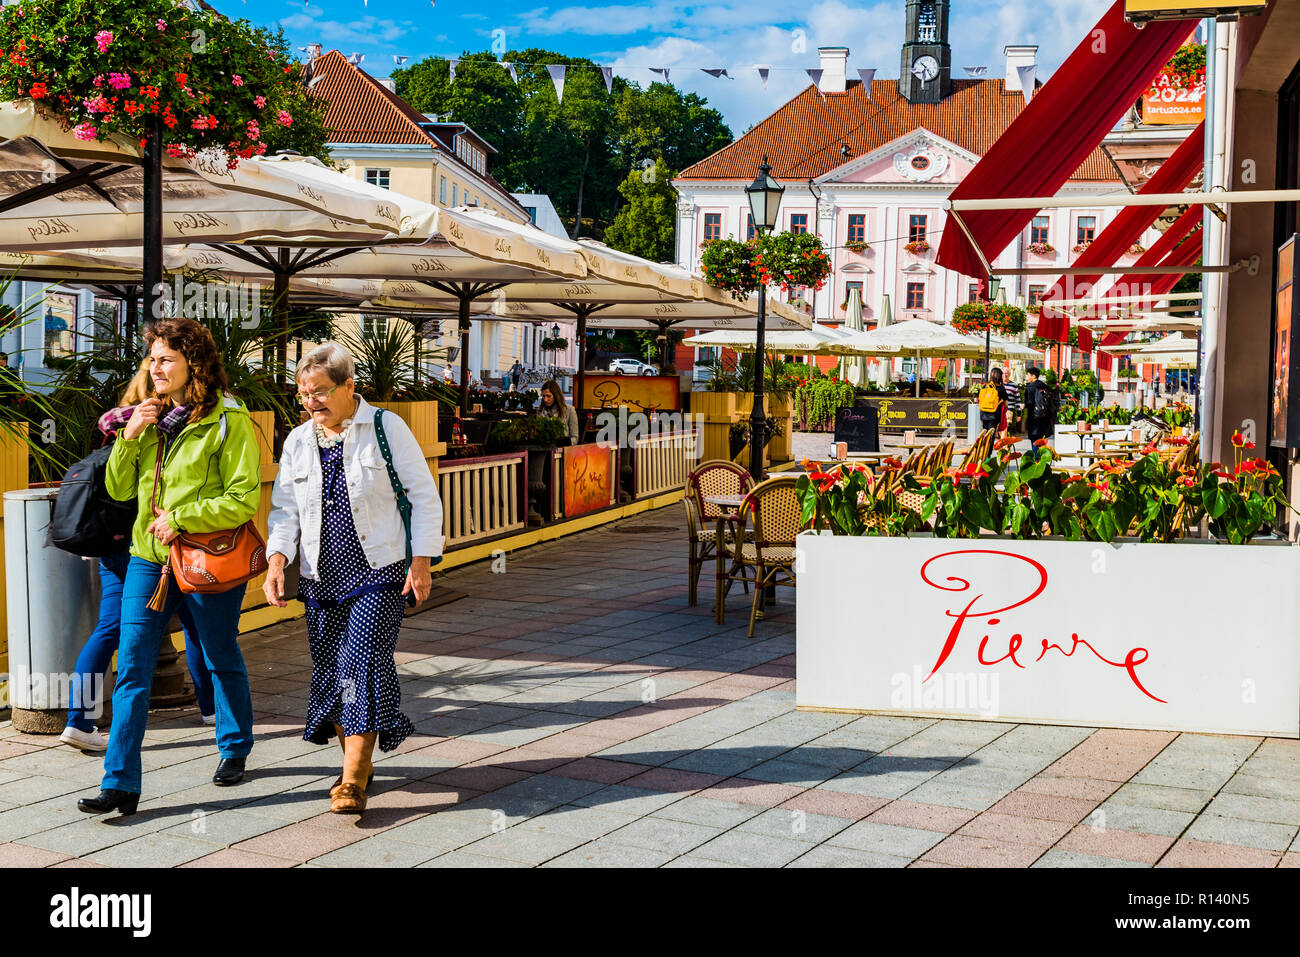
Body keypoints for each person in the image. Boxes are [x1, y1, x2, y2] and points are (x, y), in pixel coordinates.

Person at [78, 318, 261, 817]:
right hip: (147, 559)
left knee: (219, 654)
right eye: (151, 359)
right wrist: (129, 437)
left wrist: (182, 517)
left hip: (206, 558)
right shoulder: (145, 419)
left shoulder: (228, 419)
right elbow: (118, 490)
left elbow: (242, 499)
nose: (154, 368)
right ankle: (120, 784)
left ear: (192, 365)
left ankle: (235, 746)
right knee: (132, 667)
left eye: (165, 359)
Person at [264, 342, 444, 814]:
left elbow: (422, 495)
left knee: (361, 660)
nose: (311, 402)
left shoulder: (386, 428)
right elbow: (284, 509)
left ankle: (350, 781)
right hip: (321, 576)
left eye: (320, 392)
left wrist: (421, 560)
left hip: (379, 570)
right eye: (303, 394)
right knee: (331, 670)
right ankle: (358, 763)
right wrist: (278, 559)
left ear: (349, 387)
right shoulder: (300, 440)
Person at [60, 362, 217, 753]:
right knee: (196, 623)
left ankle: (79, 719)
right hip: (156, 541)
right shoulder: (166, 423)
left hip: (113, 543)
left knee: (110, 629)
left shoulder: (111, 423)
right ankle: (213, 711)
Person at [1023, 366, 1057, 459]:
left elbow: (1029, 403)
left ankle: (1036, 461)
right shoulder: (1045, 386)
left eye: (1028, 375)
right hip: (1045, 419)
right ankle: (1043, 461)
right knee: (1042, 442)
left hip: (1034, 419)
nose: (1027, 377)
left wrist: (1023, 406)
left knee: (1034, 442)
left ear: (1033, 376)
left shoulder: (1030, 388)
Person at [537, 379, 579, 445]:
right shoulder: (540, 410)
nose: (545, 399)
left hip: (562, 450)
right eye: (543, 396)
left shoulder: (569, 410)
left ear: (556, 395)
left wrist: (561, 442)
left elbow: (575, 438)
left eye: (548, 396)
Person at [978, 367, 1007, 434]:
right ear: (1000, 376)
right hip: (994, 414)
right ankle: (990, 445)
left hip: (983, 413)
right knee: (991, 435)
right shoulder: (1000, 388)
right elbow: (1006, 404)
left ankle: (985, 444)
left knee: (985, 434)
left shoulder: (985, 386)